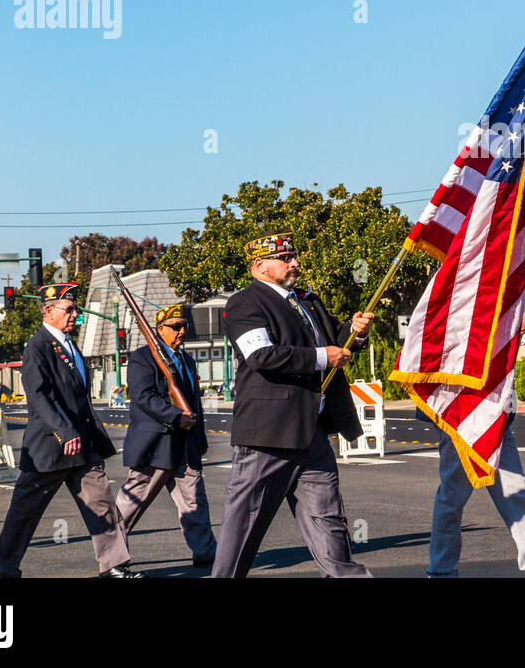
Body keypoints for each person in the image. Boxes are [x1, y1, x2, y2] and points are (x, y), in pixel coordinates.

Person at [212, 231, 373, 578]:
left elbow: (336, 340)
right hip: (268, 435)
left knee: (329, 520)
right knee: (245, 524)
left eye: (294, 256)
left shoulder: (308, 301)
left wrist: (356, 331)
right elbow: (261, 355)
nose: (295, 263)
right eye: (285, 258)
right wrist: (322, 357)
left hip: (312, 431)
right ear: (260, 265)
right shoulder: (245, 303)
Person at [0, 283, 141, 578]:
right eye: (69, 309)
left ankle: (114, 565)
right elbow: (39, 396)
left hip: (83, 445)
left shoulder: (69, 344)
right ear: (48, 311)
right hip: (49, 448)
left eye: (76, 309)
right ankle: (4, 570)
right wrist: (65, 431)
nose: (75, 314)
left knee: (102, 504)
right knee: (24, 514)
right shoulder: (38, 347)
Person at [426, 288, 525, 578]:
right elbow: (459, 342)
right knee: (453, 496)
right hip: (463, 413)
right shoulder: (459, 288)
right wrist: (510, 327)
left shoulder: (503, 284)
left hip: (496, 414)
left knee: (515, 491)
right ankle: (441, 571)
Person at [115, 302, 217, 567]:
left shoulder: (186, 359)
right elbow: (142, 396)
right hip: (156, 444)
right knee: (132, 503)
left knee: (194, 502)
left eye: (184, 326)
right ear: (159, 329)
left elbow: (193, 404)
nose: (181, 331)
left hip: (186, 445)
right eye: (175, 326)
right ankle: (112, 555)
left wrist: (200, 439)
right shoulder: (143, 357)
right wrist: (175, 416)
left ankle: (206, 552)